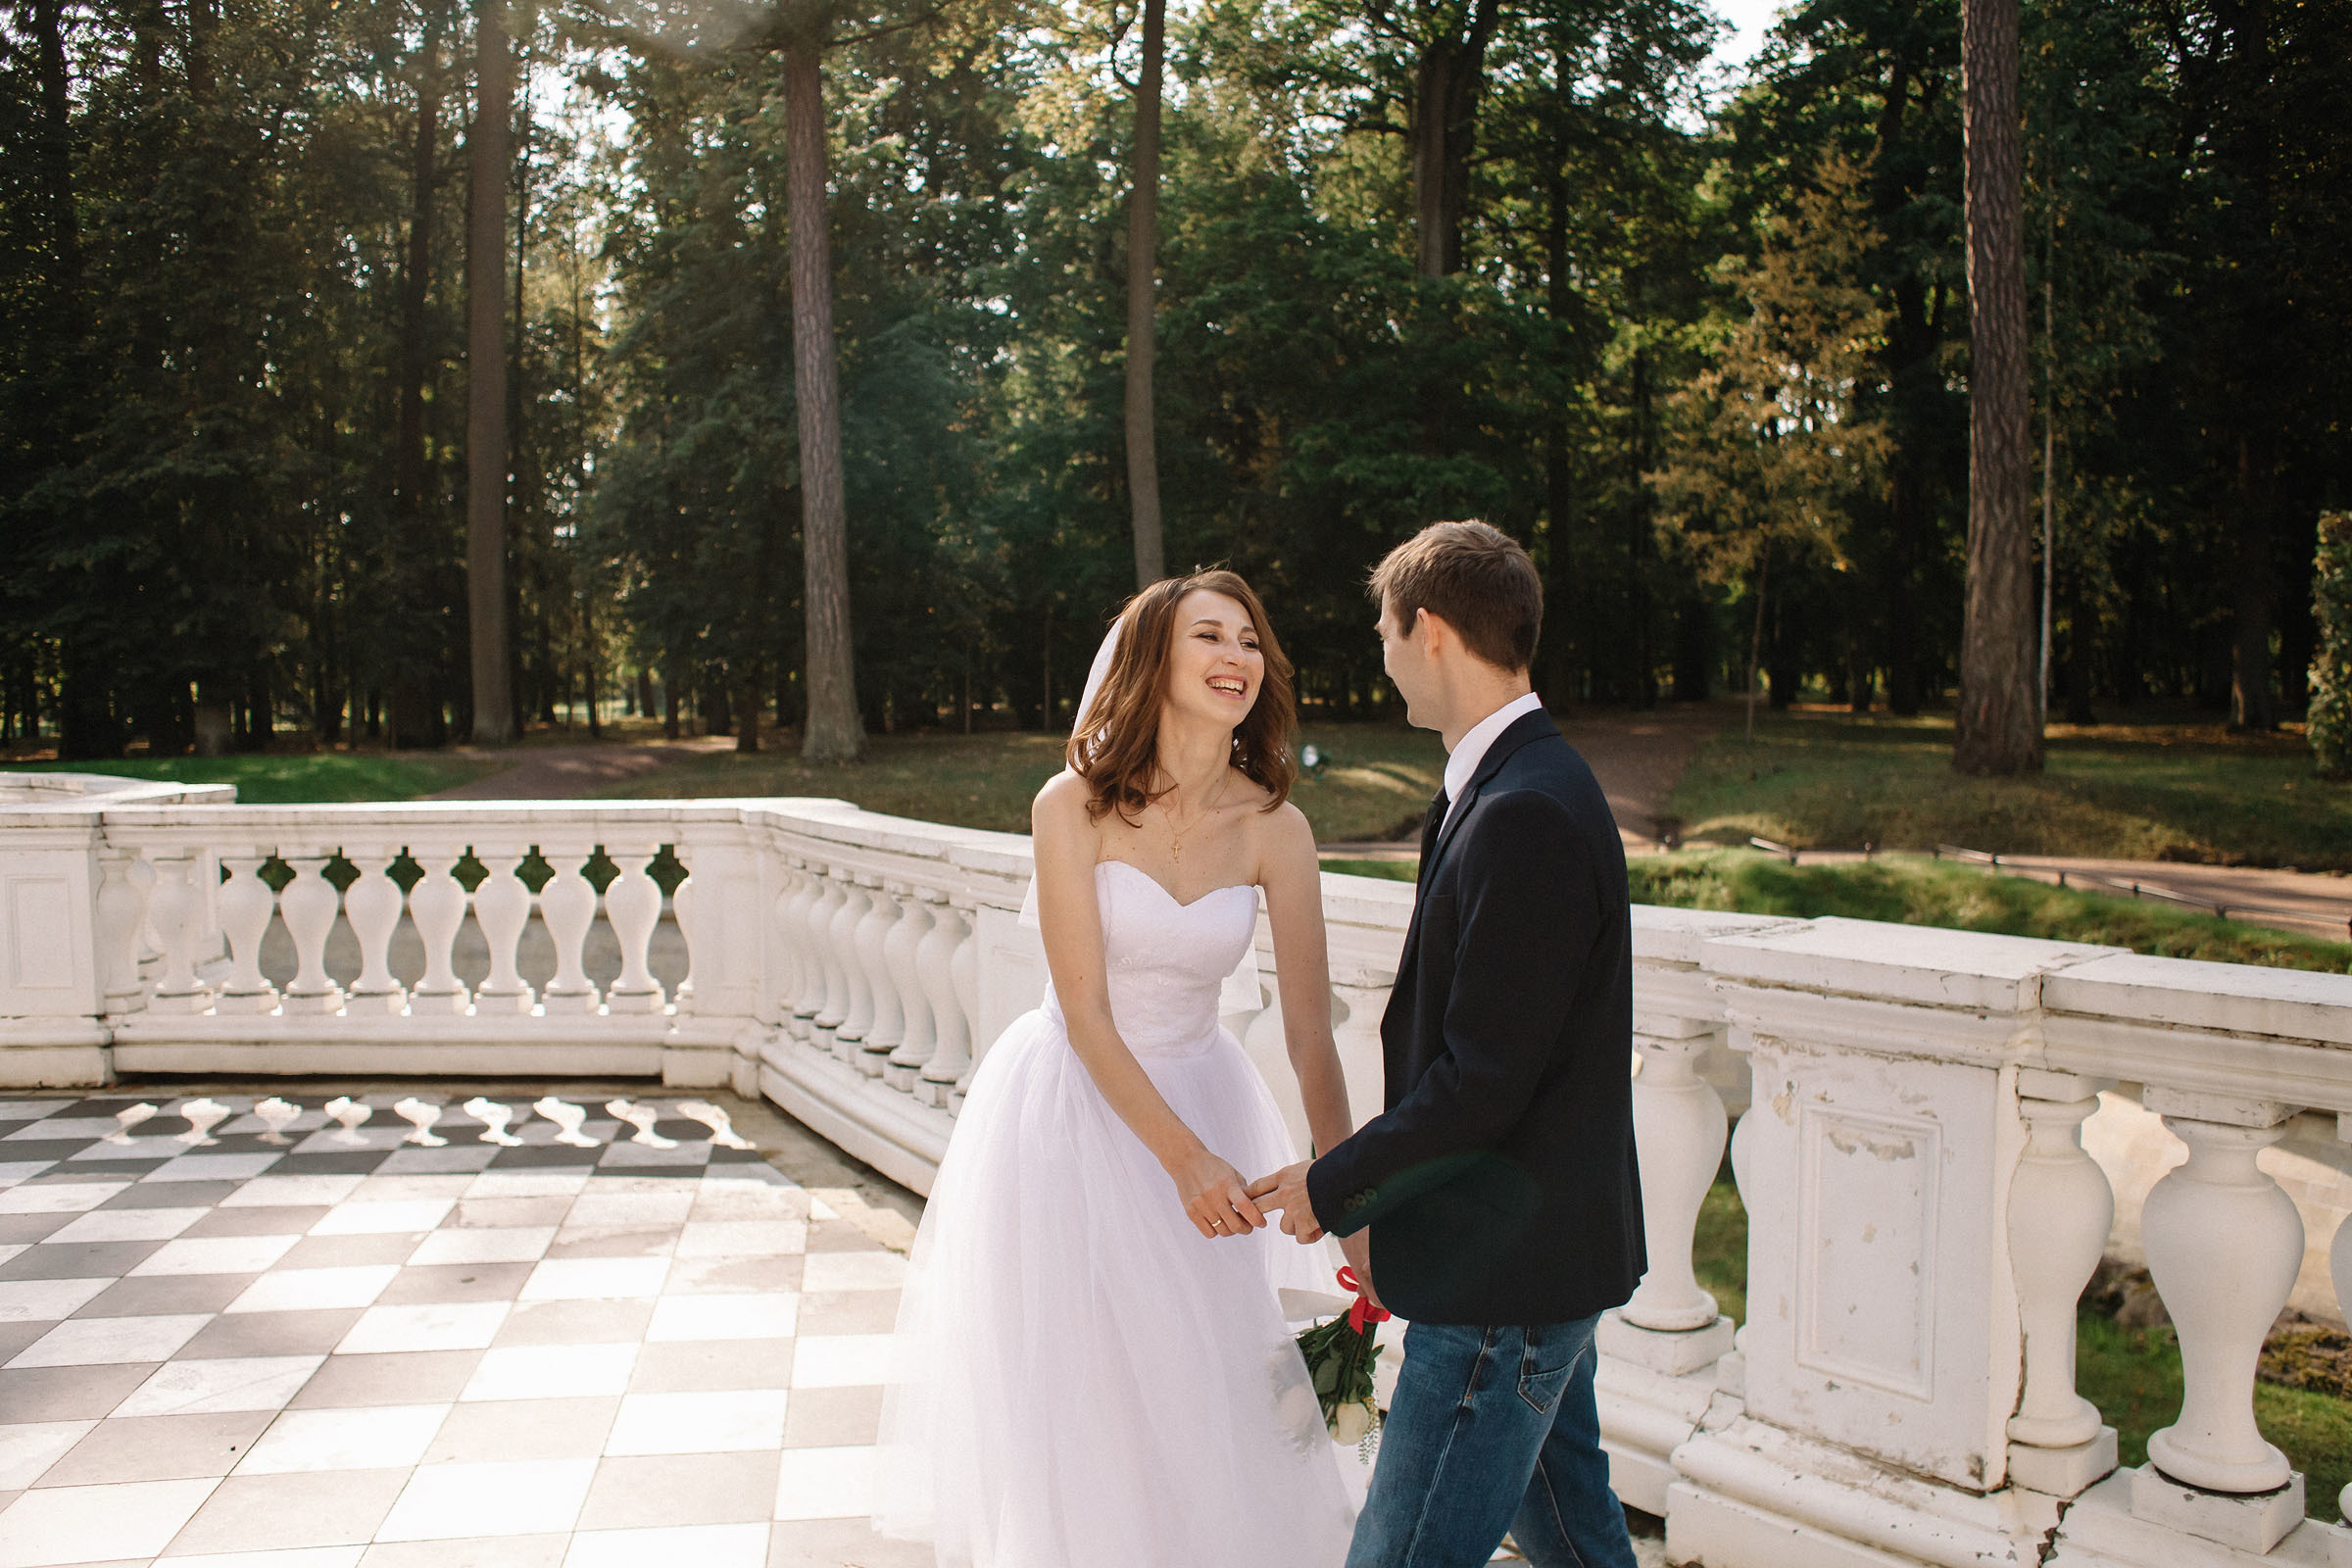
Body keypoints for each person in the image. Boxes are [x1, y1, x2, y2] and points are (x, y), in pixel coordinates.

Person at [874, 568, 1359, 1568]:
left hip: (1212, 1097)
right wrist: (1185, 1161)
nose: (1237, 657)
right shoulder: (1074, 807)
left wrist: (1348, 1191)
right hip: (1072, 1117)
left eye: (1251, 641)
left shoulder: (1278, 827)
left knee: (1210, 1382)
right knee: (1084, 1392)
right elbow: (1086, 1015)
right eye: (1210, 636)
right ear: (1154, 661)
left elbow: (1312, 1033)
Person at [1250, 519, 1647, 1568]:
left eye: (1383, 631)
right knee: (1577, 1540)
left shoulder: (1525, 808)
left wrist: (1338, 1183)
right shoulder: (1511, 780)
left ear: (1427, 628)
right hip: (1531, 1262)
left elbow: (1484, 1081)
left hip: (1500, 1279)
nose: (1381, 659)